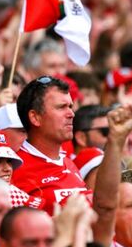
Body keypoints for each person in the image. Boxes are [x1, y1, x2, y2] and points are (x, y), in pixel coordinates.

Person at [12, 76, 87, 214]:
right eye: (61, 107)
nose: (71, 114)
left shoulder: (69, 163)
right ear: (35, 118)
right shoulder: (14, 168)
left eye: (70, 106)